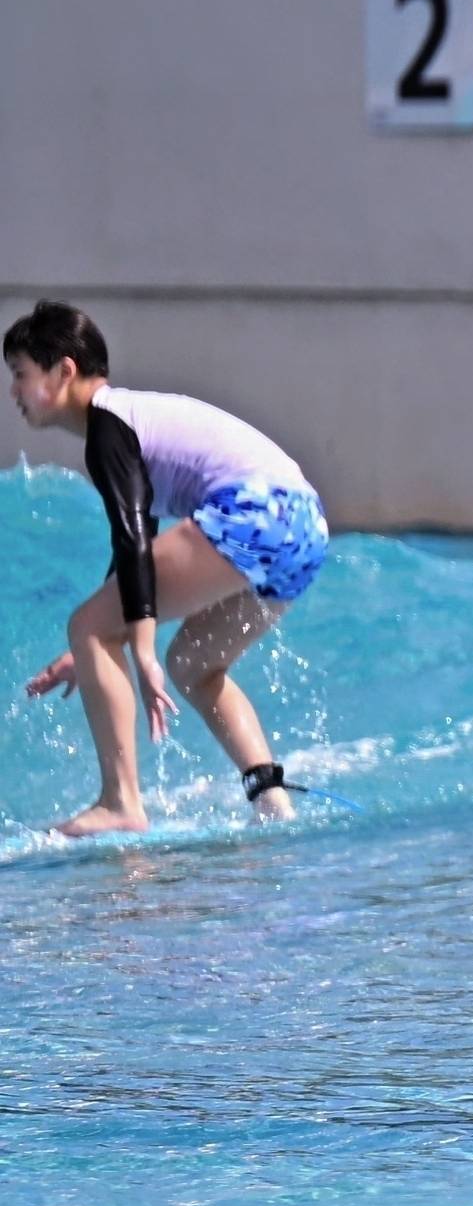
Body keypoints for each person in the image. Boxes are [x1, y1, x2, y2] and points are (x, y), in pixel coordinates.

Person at [6, 300, 331, 837]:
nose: (13, 391)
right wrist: (93, 650)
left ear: (64, 370)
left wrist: (134, 647)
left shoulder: (108, 426)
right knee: (192, 665)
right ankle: (271, 798)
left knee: (89, 624)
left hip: (254, 508)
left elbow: (133, 539)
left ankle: (120, 803)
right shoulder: (131, 419)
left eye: (20, 374)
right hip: (304, 525)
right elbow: (137, 549)